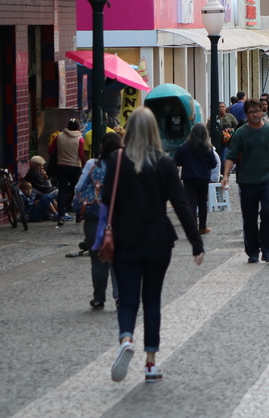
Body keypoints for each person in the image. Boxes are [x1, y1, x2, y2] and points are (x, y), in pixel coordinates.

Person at [102, 108, 204, 383]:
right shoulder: (163, 162)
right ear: (153, 131)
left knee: (127, 298)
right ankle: (150, 363)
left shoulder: (116, 159)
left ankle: (126, 339)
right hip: (158, 241)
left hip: (125, 240)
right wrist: (196, 242)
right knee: (152, 300)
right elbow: (182, 204)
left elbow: (105, 199)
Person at [223, 99, 269, 263]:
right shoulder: (241, 133)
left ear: (262, 112)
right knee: (249, 217)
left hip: (267, 179)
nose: (255, 114)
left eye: (258, 111)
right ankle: (252, 250)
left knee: (267, 212)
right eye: (252, 112)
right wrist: (225, 175)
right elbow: (231, 156)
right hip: (246, 180)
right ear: (246, 114)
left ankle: (267, 249)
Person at [76, 132, 122, 310]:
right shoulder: (126, 164)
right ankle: (120, 297)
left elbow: (79, 187)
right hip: (119, 218)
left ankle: (98, 298)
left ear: (102, 147)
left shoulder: (92, 164)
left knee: (97, 259)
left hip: (95, 216)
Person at [174, 123, 219, 235]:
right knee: (202, 203)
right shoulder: (207, 148)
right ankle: (202, 227)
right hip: (203, 178)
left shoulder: (184, 147)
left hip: (189, 178)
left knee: (191, 203)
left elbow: (177, 161)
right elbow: (213, 164)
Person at [50, 118, 85, 226]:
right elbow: (81, 154)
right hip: (75, 167)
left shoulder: (58, 137)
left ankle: (61, 215)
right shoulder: (80, 139)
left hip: (61, 166)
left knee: (62, 190)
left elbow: (50, 150)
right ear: (78, 127)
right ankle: (78, 215)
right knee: (76, 190)